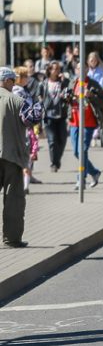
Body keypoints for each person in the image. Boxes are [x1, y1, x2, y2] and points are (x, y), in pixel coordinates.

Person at [1, 67, 42, 248]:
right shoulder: (17, 101)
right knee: (13, 199)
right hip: (11, 156)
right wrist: (39, 104)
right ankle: (12, 238)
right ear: (9, 81)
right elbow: (32, 119)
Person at [66, 73, 103, 190]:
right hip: (74, 122)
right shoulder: (73, 83)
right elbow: (68, 100)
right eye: (78, 68)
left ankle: (81, 179)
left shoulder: (93, 84)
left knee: (82, 150)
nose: (80, 70)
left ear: (86, 69)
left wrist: (91, 95)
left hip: (88, 123)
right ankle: (94, 172)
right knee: (76, 152)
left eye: (83, 67)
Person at [38, 61, 69, 173]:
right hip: (48, 116)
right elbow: (39, 95)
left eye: (58, 69)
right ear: (49, 70)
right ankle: (53, 164)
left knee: (62, 139)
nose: (56, 71)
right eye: (54, 69)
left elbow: (69, 92)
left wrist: (64, 80)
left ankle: (57, 160)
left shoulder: (63, 82)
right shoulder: (43, 83)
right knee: (52, 141)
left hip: (61, 115)